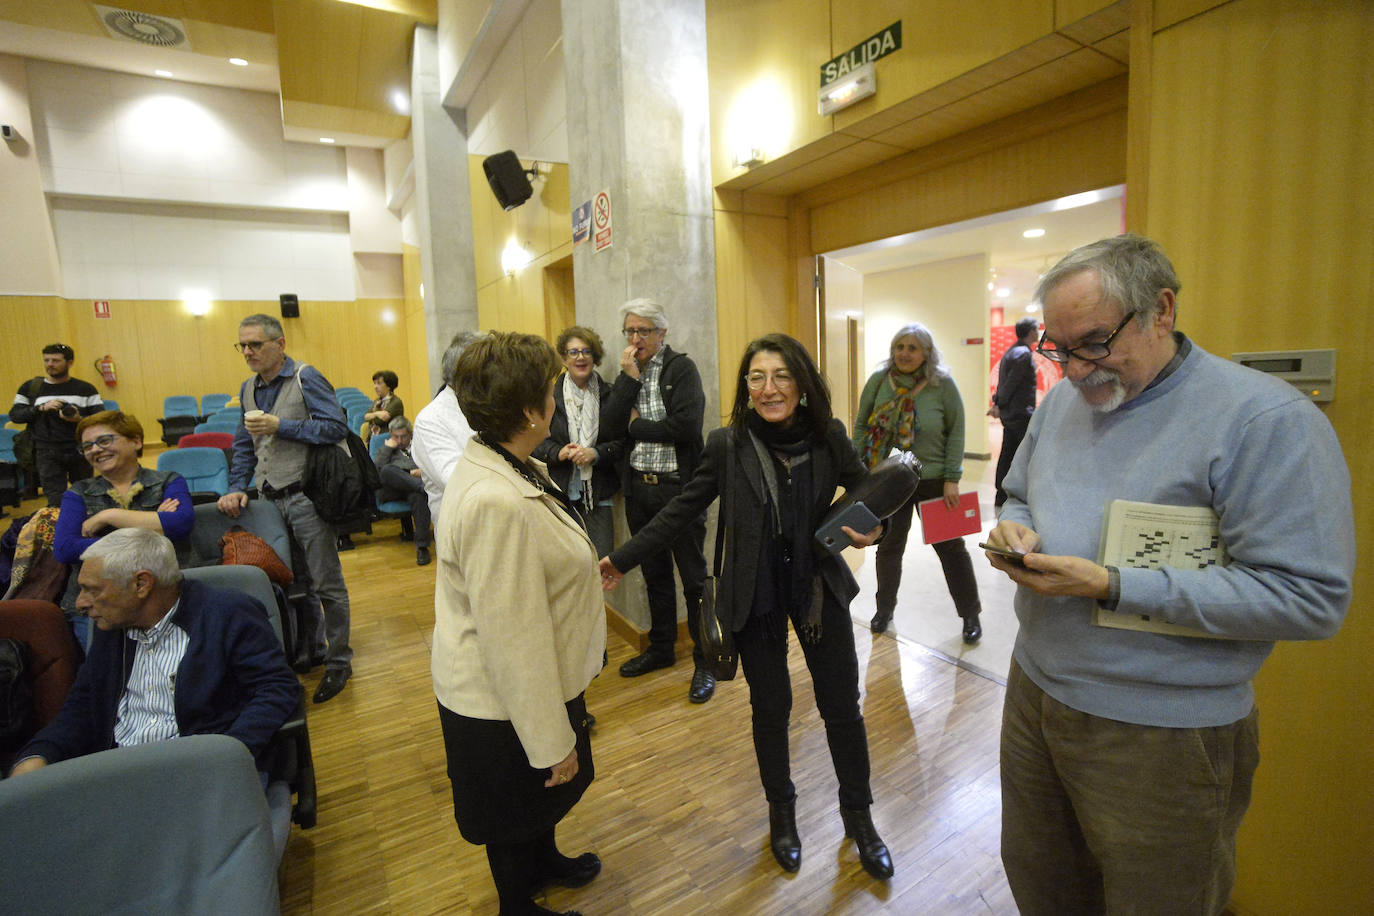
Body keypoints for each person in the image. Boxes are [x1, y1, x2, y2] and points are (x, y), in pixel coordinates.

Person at [985, 234, 1354, 916]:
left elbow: (1311, 600)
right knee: (1044, 884)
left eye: (1093, 341)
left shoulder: (1265, 421)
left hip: (1166, 734)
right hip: (1034, 693)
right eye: (1058, 349)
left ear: (1161, 311)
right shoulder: (1066, 401)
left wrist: (1113, 585)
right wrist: (1015, 523)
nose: (1072, 370)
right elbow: (1018, 490)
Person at [599, 334, 894, 880]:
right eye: (756, 377)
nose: (769, 388)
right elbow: (682, 510)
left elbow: (868, 493)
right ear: (745, 387)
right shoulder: (727, 444)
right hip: (753, 595)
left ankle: (859, 818)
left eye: (781, 375)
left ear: (802, 383)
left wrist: (874, 528)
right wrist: (620, 559)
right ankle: (782, 815)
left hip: (816, 590)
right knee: (771, 708)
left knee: (842, 707)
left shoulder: (829, 436)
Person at [433, 332, 604, 916]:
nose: (557, 398)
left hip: (530, 686)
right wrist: (551, 740)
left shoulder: (509, 460)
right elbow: (512, 642)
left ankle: (544, 862)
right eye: (550, 390)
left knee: (540, 801)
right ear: (531, 411)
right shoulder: (494, 500)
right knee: (514, 808)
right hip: (500, 699)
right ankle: (517, 904)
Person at [9, 528, 298, 780]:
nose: (81, 603)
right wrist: (38, 755)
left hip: (201, 773)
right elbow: (82, 707)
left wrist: (231, 754)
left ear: (141, 584)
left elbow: (276, 688)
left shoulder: (227, 614)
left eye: (91, 590)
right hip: (120, 776)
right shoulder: (112, 628)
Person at [219, 313, 354, 704]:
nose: (247, 352)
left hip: (306, 494)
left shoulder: (305, 377)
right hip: (269, 497)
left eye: (255, 344)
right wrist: (235, 487)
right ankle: (311, 647)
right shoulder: (247, 388)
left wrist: (282, 426)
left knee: (327, 582)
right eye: (242, 345)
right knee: (295, 582)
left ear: (279, 344)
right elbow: (244, 445)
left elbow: (335, 428)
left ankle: (339, 659)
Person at [600, 298, 712, 703]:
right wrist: (628, 379)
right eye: (629, 331)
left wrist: (638, 427)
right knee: (655, 576)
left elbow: (685, 427)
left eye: (643, 331)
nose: (634, 339)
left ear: (661, 334)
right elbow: (610, 428)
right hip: (640, 490)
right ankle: (662, 650)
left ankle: (706, 659)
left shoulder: (681, 369)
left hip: (678, 490)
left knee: (694, 579)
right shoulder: (628, 374)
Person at [854, 324, 984, 643]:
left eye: (913, 347)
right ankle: (884, 610)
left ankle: (970, 615)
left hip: (934, 480)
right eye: (900, 346)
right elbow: (860, 425)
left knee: (951, 549)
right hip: (890, 481)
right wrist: (861, 470)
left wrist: (953, 477)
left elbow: (956, 431)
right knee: (888, 547)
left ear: (926, 352)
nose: (905, 353)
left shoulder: (943, 385)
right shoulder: (879, 381)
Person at [53, 411, 195, 569]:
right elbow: (65, 549)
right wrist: (154, 529)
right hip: (100, 586)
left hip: (161, 577)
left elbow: (181, 525)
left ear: (136, 441)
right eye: (87, 446)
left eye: (104, 441)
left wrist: (108, 516)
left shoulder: (169, 480)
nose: (94, 450)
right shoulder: (78, 492)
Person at [532, 326, 624, 557]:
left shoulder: (610, 396)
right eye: (573, 352)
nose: (580, 357)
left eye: (586, 351)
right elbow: (534, 442)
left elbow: (622, 442)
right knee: (565, 564)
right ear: (563, 358)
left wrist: (597, 453)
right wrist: (558, 452)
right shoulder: (548, 397)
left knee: (600, 563)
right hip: (558, 493)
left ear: (595, 357)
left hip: (598, 495)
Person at [9, 343, 104, 507]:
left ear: (70, 362)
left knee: (87, 494)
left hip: (79, 448)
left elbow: (101, 419)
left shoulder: (85, 389)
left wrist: (78, 418)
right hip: (46, 450)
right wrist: (40, 408)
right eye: (46, 360)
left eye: (55, 360)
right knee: (55, 499)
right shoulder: (30, 388)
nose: (50, 364)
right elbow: (16, 415)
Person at [413, 331, 482, 521]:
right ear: (466, 374)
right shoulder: (430, 420)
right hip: (462, 527)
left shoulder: (488, 407)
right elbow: (456, 481)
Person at [990, 316, 1039, 509]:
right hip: (1020, 413)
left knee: (1007, 454)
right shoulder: (1023, 354)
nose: (1038, 333)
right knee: (1018, 457)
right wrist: (999, 403)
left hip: (1012, 413)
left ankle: (1001, 495)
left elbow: (1006, 382)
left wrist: (998, 403)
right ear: (1029, 331)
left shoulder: (1013, 351)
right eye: (1036, 329)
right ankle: (1012, 496)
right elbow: (1011, 383)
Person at [373, 416, 432, 566]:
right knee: (387, 470)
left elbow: (431, 466)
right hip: (392, 489)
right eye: (395, 437)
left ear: (410, 434)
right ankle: (422, 489)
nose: (399, 441)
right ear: (391, 435)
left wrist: (422, 471)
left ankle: (422, 547)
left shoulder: (419, 448)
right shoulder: (386, 449)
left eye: (403, 436)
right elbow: (376, 470)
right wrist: (388, 449)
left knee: (418, 496)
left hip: (412, 488)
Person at [363, 369, 404, 440]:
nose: (375, 387)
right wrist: (377, 414)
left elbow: (379, 421)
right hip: (373, 438)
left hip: (386, 440)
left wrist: (373, 415)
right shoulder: (378, 401)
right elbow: (366, 417)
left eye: (379, 383)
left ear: (388, 386)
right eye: (374, 383)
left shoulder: (396, 402)